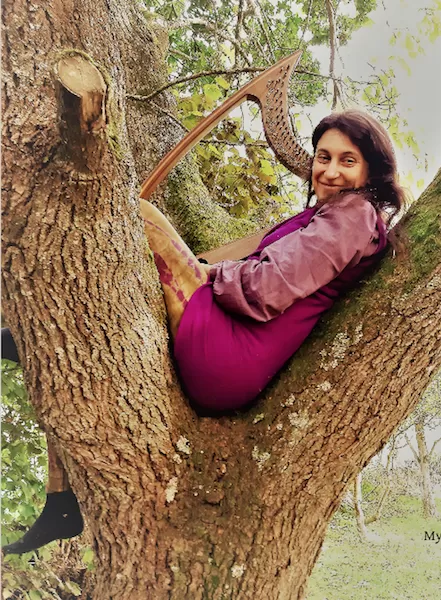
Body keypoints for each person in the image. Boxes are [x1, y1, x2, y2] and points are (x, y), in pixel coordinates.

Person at [1, 109, 405, 554]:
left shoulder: (355, 215)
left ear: (371, 170)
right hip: (230, 356)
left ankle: (34, 333)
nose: (329, 171)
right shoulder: (337, 216)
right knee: (92, 338)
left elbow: (267, 288)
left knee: (136, 214)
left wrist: (212, 272)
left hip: (230, 350)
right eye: (323, 157)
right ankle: (61, 497)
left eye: (347, 161)